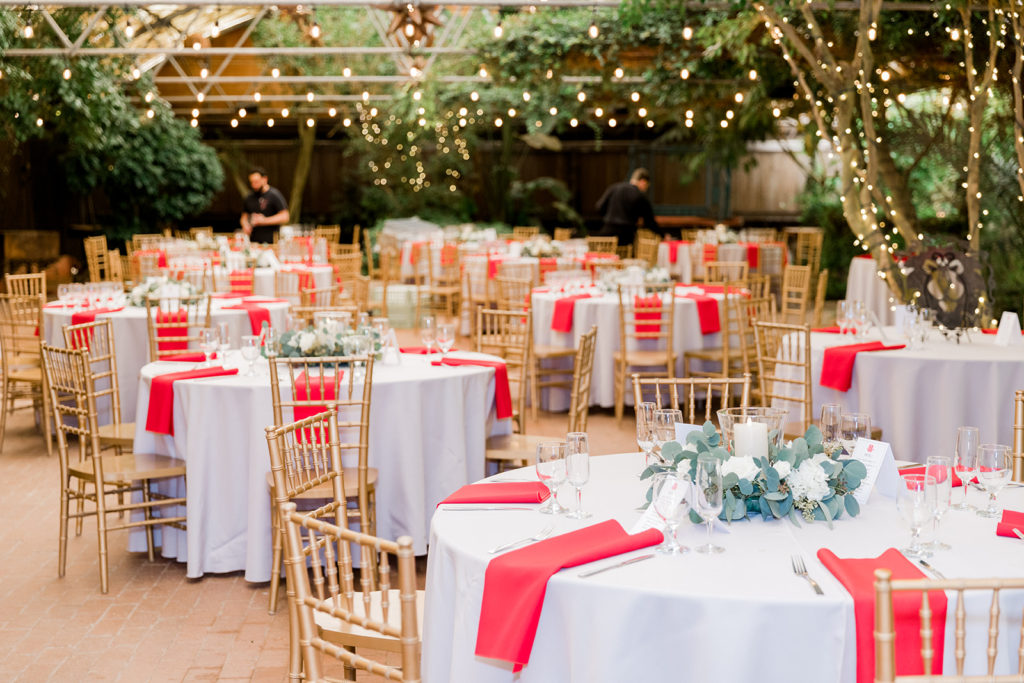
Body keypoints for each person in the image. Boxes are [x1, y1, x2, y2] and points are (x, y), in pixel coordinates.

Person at [595, 167, 659, 247]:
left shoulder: (614, 188)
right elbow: (649, 221)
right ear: (643, 182)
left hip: (608, 232)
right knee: (626, 258)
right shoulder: (640, 196)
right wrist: (662, 235)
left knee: (606, 258)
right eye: (646, 186)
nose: (645, 189)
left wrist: (610, 217)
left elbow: (599, 207)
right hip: (626, 236)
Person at [240, 167, 290, 244]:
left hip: (272, 242)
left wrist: (264, 221)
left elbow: (285, 217)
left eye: (256, 182)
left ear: (265, 179)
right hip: (254, 242)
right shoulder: (249, 197)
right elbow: (244, 217)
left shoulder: (274, 195)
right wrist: (245, 225)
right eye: (252, 182)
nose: (254, 185)